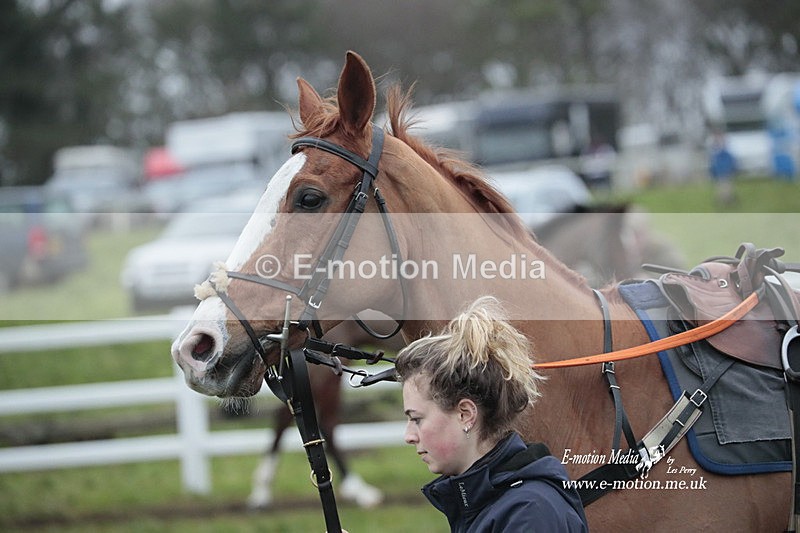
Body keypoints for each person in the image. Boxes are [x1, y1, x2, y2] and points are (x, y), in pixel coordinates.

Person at [395, 296, 588, 532]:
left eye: (416, 419)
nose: (409, 436)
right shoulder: (490, 503)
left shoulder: (531, 513)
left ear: (465, 414)